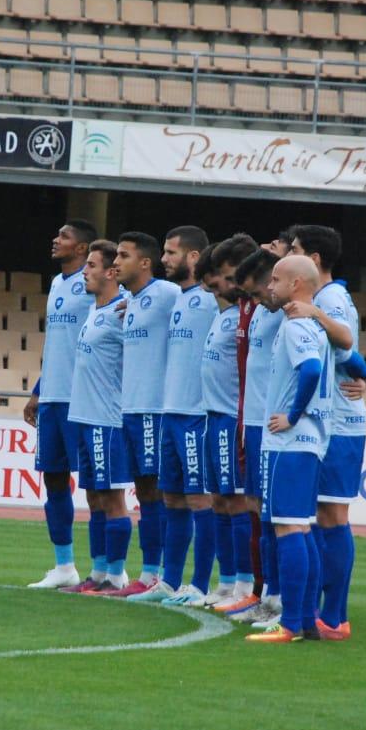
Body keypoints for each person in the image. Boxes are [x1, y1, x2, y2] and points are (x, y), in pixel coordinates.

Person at [285, 225, 366, 640]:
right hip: (333, 421)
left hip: (340, 423)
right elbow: (350, 356)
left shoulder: (330, 298)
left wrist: (363, 371)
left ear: (314, 260)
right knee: (321, 515)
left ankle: (335, 616)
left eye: (297, 249)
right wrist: (365, 372)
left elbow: (345, 344)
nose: (291, 252)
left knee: (332, 514)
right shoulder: (331, 296)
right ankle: (321, 611)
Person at [246, 255, 333, 644]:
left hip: (290, 442)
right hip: (308, 443)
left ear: (297, 284)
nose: (270, 286)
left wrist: (293, 415)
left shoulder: (298, 325)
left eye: (277, 279)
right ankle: (307, 621)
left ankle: (293, 623)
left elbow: (311, 370)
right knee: (301, 526)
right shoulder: (312, 325)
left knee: (287, 528)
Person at [128, 225, 216, 605]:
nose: (164, 260)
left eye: (171, 252)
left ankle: (201, 585)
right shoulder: (178, 298)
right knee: (173, 501)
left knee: (200, 501)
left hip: (197, 413)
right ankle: (170, 581)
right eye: (163, 252)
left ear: (194, 257)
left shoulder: (211, 300)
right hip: (170, 412)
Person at [24, 220, 98, 590]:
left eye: (65, 236)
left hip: (82, 397)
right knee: (54, 478)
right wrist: (38, 390)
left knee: (97, 485)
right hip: (53, 397)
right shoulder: (56, 284)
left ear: (82, 248)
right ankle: (64, 566)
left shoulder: (94, 284)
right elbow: (57, 343)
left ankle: (107, 569)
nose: (56, 239)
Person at [60, 240, 134, 594]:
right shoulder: (96, 310)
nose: (84, 272)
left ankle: (118, 575)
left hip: (108, 419)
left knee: (114, 497)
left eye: (91, 266)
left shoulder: (125, 309)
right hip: (85, 417)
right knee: (94, 498)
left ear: (110, 272)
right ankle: (98, 573)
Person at [111, 232, 180, 596]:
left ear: (145, 263)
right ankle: (151, 571)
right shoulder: (132, 301)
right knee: (144, 491)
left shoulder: (168, 294)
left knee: (156, 492)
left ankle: (162, 572)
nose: (115, 262)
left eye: (123, 255)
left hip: (154, 408)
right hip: (131, 408)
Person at [220, 247, 285, 624]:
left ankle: (278, 596)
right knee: (260, 513)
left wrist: (360, 373)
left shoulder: (292, 313)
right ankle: (266, 593)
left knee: (277, 517)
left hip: (274, 425)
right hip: (255, 422)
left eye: (258, 292)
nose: (255, 301)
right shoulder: (262, 310)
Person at [193, 233, 259, 609]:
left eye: (228, 274)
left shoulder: (246, 316)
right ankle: (227, 580)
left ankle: (244, 584)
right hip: (212, 418)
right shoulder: (224, 316)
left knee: (236, 502)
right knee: (219, 500)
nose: (224, 282)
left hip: (233, 419)